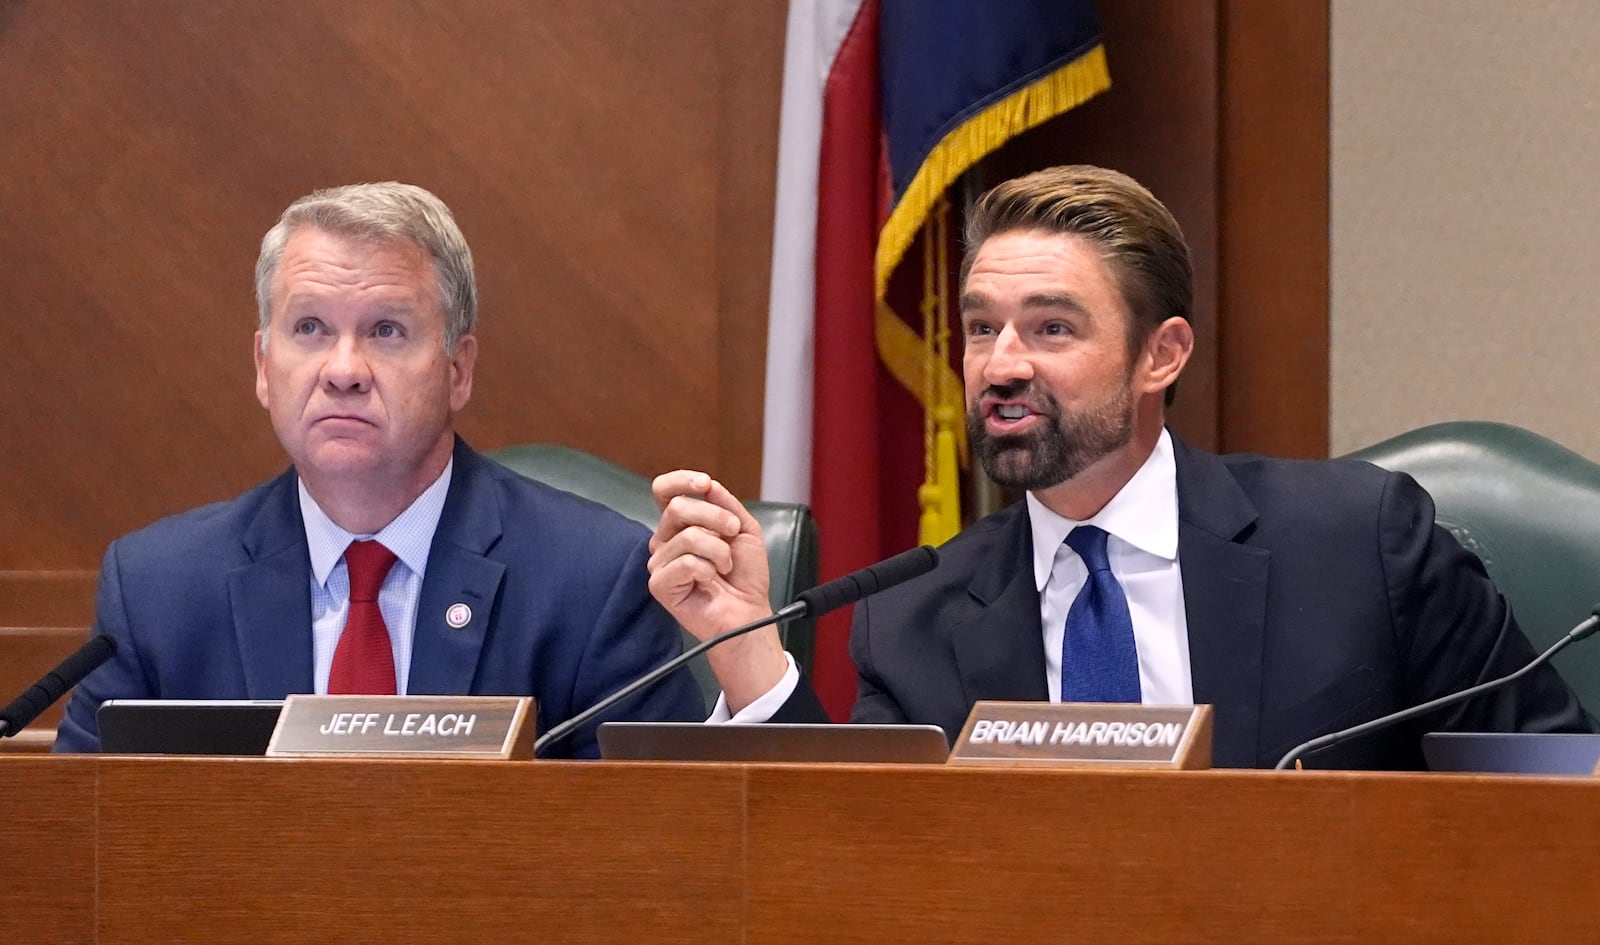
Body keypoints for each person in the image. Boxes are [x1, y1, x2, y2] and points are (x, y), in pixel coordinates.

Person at [648, 164, 1592, 769]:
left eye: (1051, 327)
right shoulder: (917, 618)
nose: (1001, 363)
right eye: (982, 328)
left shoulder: (1359, 545)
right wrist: (752, 662)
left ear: (1161, 355)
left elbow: (1554, 782)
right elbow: (856, 864)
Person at [55, 182, 700, 756]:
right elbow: (81, 853)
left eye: (386, 331)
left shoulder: (591, 581)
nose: (343, 370)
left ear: (458, 370)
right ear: (262, 365)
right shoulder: (156, 592)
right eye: (309, 327)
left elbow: (656, 849)